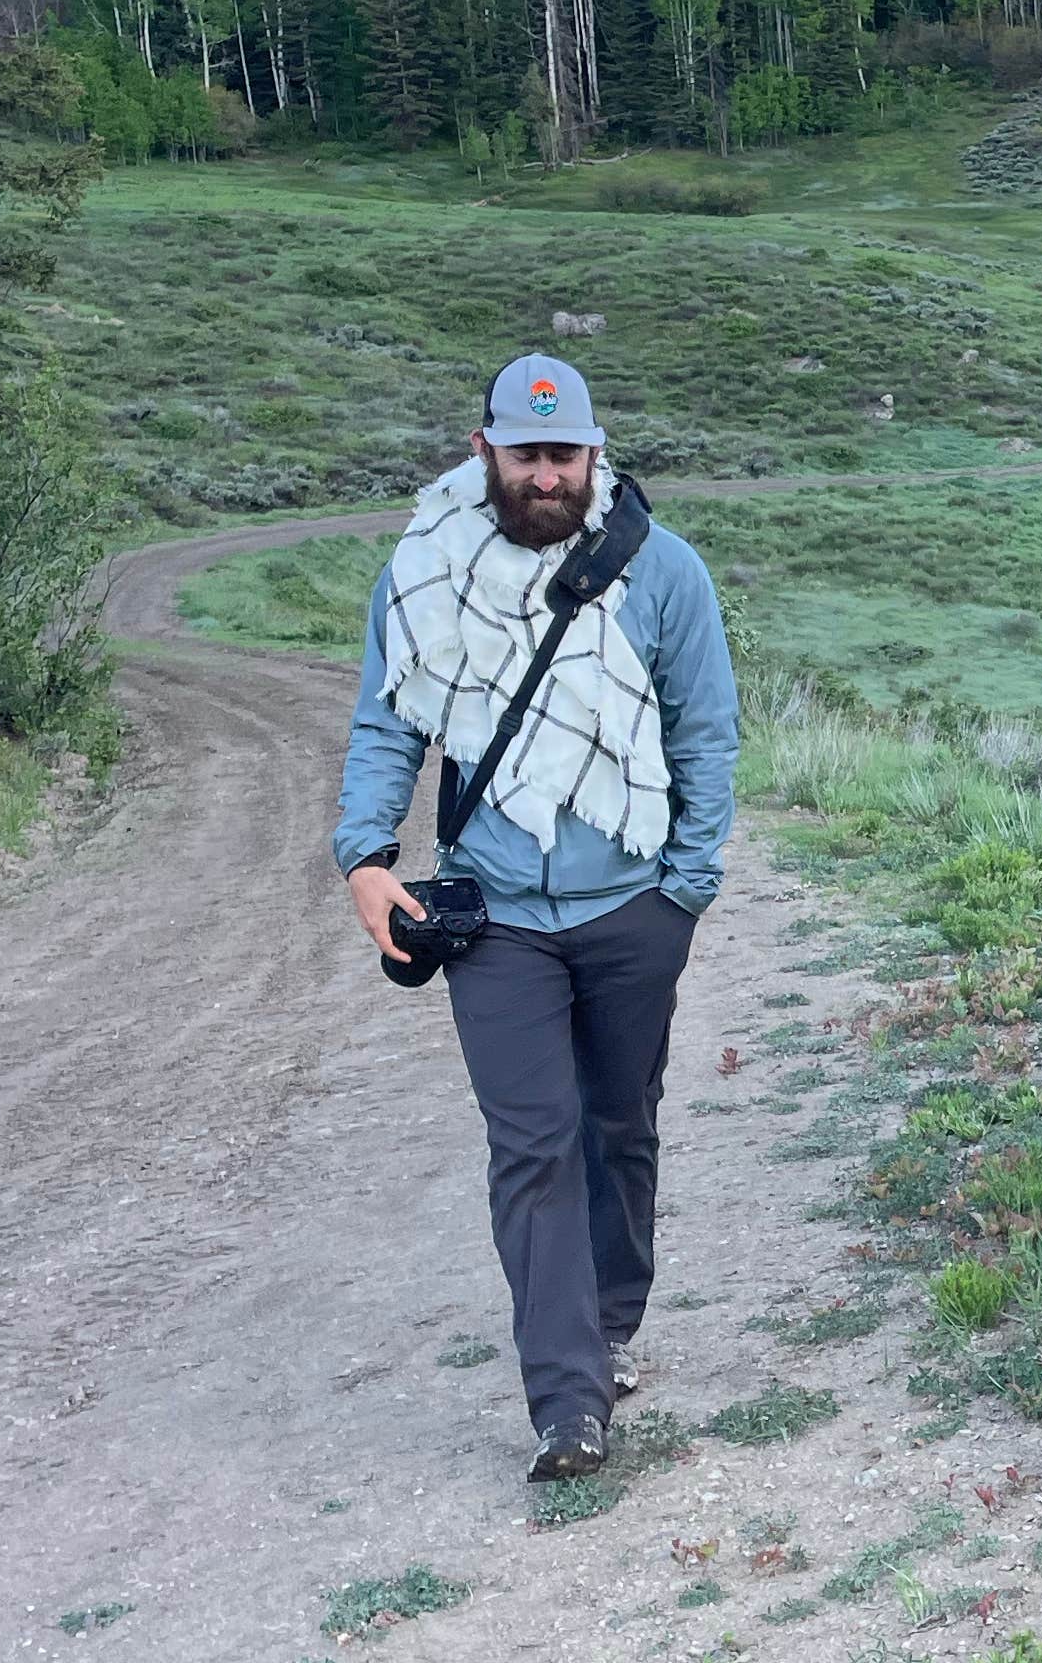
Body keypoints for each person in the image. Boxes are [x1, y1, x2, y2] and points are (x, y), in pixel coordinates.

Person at [333, 353, 738, 1482]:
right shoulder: (420, 575)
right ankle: (568, 1403)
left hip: (632, 905)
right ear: (486, 454)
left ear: (594, 455)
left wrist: (685, 889)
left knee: (619, 1124)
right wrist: (365, 855)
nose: (547, 476)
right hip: (498, 918)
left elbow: (705, 735)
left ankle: (610, 1320)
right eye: (527, 456)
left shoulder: (665, 574)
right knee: (534, 1144)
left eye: (566, 456)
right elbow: (385, 728)